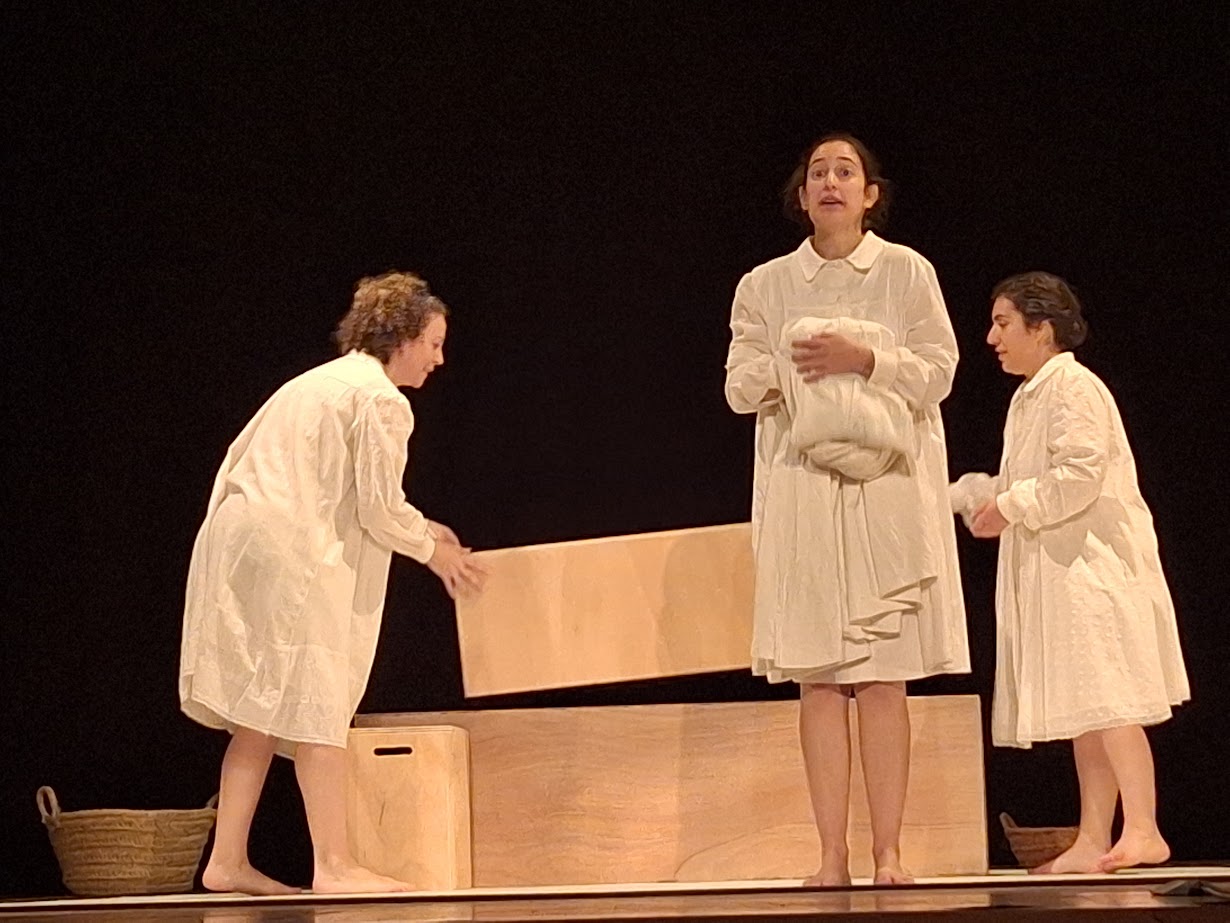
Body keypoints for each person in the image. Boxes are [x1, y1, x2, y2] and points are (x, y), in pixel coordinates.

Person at [179, 271, 487, 894]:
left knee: (262, 709)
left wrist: (424, 527)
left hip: (248, 549)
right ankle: (335, 866)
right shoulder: (380, 400)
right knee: (317, 702)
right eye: (432, 343)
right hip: (293, 557)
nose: (438, 359)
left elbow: (343, 488)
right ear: (402, 337)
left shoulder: (317, 382)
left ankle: (227, 861)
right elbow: (378, 507)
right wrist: (434, 553)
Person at [724, 134, 969, 886]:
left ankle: (888, 852)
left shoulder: (906, 271)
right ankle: (832, 854)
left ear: (870, 194)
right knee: (821, 680)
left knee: (885, 677)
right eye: (818, 174)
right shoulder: (765, 284)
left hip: (887, 489)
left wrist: (865, 359)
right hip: (804, 490)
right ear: (802, 197)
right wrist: (795, 360)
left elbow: (940, 371)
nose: (831, 182)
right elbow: (738, 388)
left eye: (846, 172)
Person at [952, 272, 1189, 873]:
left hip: (1093, 568)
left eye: (1004, 323)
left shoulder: (1074, 387)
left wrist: (1010, 506)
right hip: (1064, 568)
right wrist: (978, 497)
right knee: (1089, 707)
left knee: (1111, 698)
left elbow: (1079, 475)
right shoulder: (1031, 395)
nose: (992, 338)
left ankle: (1144, 828)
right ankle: (1093, 836)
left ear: (1042, 328)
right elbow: (1034, 478)